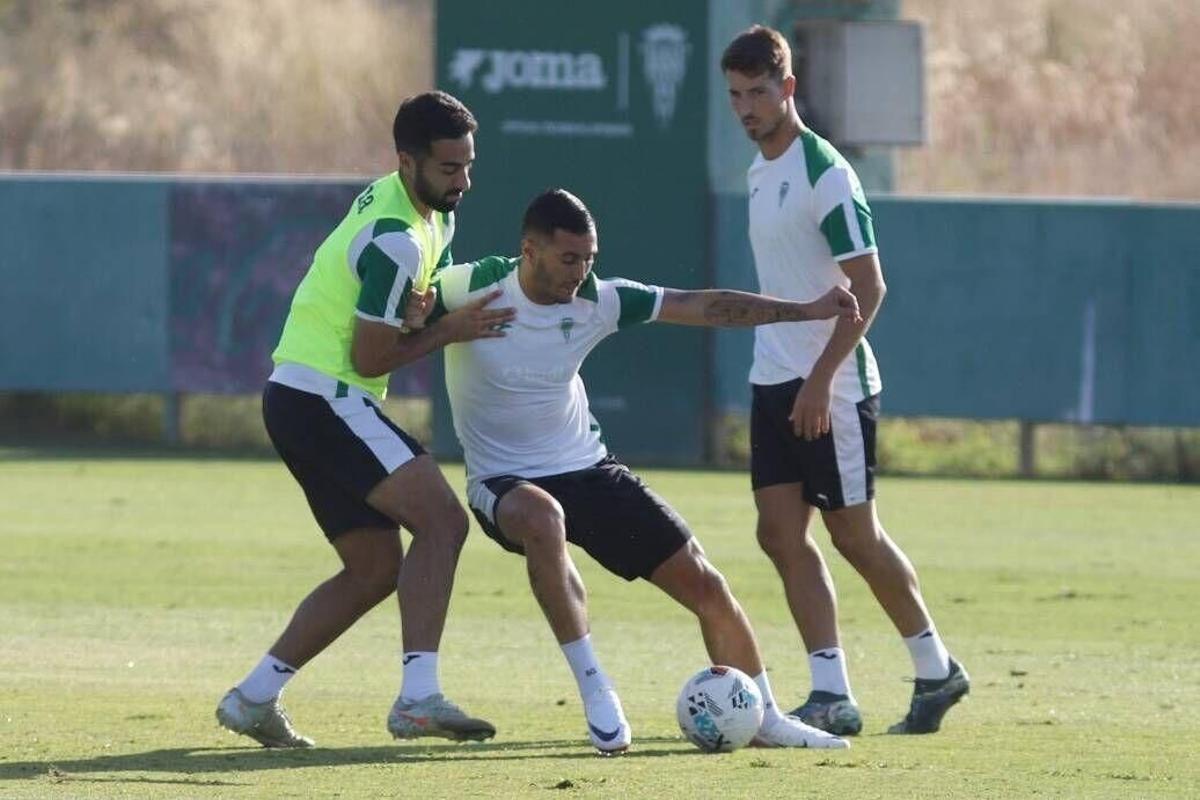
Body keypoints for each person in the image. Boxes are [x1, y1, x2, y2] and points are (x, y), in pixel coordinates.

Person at [422, 188, 859, 754]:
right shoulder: (470, 286)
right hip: (502, 484)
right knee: (543, 517)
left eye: (590, 259)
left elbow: (702, 305)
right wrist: (430, 316)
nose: (581, 272)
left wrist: (804, 310)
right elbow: (397, 313)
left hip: (588, 468)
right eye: (568, 259)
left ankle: (765, 719)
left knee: (706, 584)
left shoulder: (601, 300)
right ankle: (597, 690)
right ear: (529, 250)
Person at [215, 91, 515, 748]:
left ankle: (252, 698)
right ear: (405, 162)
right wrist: (452, 327)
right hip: (324, 397)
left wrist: (426, 312)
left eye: (468, 166)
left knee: (376, 567)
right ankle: (417, 699)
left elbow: (395, 314)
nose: (462, 182)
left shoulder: (424, 211)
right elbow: (372, 352)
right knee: (442, 523)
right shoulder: (397, 237)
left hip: (303, 398)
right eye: (447, 169)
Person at [719, 25, 970, 736]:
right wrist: (790, 378)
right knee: (778, 534)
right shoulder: (760, 169)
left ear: (788, 88)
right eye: (736, 96)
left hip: (832, 385)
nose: (747, 109)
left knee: (855, 536)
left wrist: (820, 379)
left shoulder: (826, 173)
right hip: (775, 377)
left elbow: (871, 286)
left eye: (759, 93)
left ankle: (936, 669)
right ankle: (830, 691)